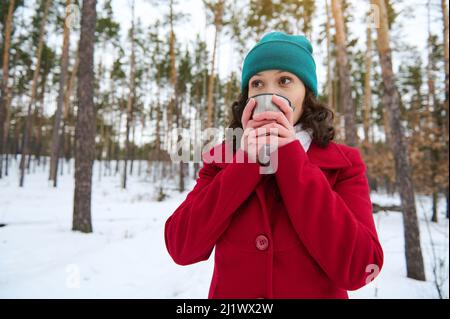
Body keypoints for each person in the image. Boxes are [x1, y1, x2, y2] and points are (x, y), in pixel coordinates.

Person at [164, 31, 384, 299]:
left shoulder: (344, 164)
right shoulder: (221, 160)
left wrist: (290, 156)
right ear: (247, 98)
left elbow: (361, 268)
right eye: (257, 84)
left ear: (307, 94)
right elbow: (181, 246)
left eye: (284, 80)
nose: (269, 92)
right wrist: (245, 162)